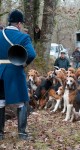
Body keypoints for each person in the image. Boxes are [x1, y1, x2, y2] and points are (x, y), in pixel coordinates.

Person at [0, 9, 36, 140]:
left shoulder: (0, 34)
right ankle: (22, 133)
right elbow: (32, 54)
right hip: (14, 72)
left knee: (0, 102)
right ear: (19, 24)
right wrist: (23, 63)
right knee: (21, 102)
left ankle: (0, 134)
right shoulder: (23, 37)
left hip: (0, 72)